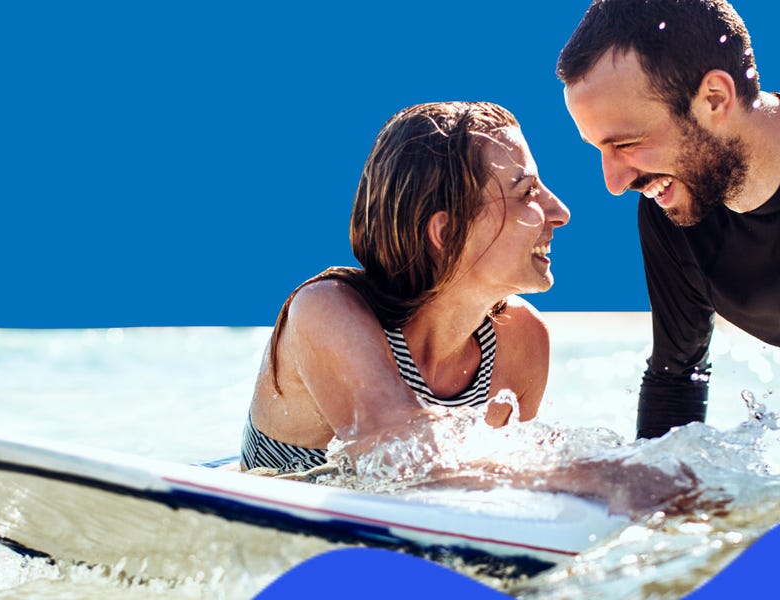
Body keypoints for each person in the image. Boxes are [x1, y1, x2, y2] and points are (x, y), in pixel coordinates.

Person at [240, 101, 570, 474]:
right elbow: (398, 454)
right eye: (527, 192)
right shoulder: (325, 309)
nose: (559, 212)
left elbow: (496, 501)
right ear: (446, 233)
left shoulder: (521, 341)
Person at [557, 0, 780, 438]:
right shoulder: (676, 214)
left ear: (714, 99)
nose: (615, 183)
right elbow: (676, 379)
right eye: (598, 149)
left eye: (626, 142)